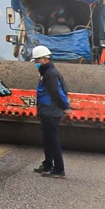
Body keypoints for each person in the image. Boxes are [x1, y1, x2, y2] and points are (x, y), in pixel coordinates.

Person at [32, 44, 70, 178]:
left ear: (45, 59)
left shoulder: (50, 74)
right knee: (47, 139)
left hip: (51, 112)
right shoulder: (47, 73)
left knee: (52, 140)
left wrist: (65, 107)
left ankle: (59, 169)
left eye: (37, 60)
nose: (36, 63)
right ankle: (48, 164)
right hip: (46, 111)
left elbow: (57, 93)